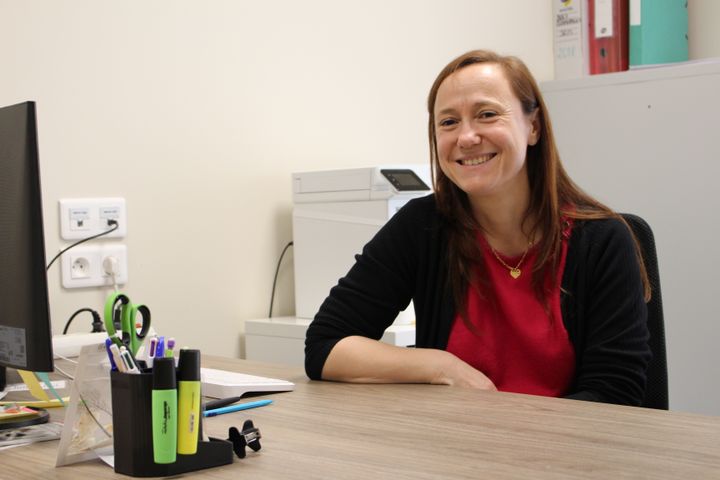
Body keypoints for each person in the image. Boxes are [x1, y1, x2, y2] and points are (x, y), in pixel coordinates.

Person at [304, 49, 652, 406]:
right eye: (449, 122)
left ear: (533, 127)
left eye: (486, 114)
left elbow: (616, 393)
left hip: (568, 452)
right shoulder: (422, 227)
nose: (466, 137)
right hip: (457, 450)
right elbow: (326, 345)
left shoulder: (603, 241)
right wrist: (442, 366)